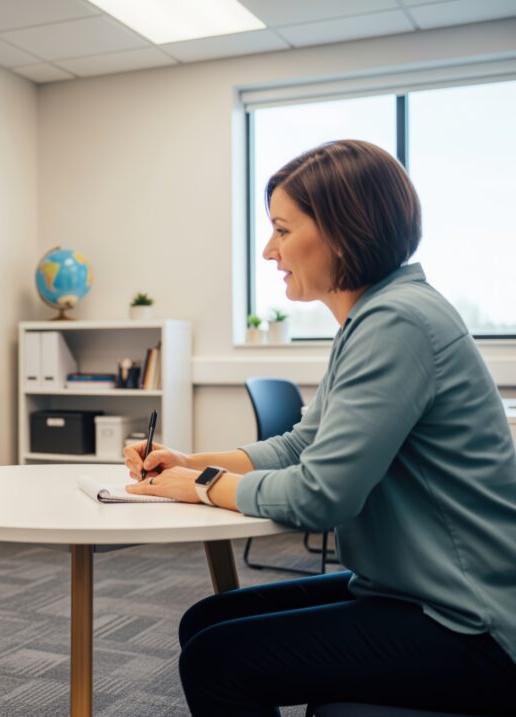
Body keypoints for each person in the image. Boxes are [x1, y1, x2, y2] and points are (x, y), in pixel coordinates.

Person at [123, 140, 516, 716]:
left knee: (218, 659)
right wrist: (189, 463)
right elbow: (302, 445)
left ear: (342, 230)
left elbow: (319, 493)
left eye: (282, 230)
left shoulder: (396, 322)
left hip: (472, 623)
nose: (267, 250)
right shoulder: (374, 317)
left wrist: (202, 484)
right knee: (207, 620)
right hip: (422, 591)